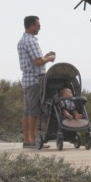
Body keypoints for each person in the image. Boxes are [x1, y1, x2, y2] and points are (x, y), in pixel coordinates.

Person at [18, 15, 55, 147]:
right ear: (32, 26)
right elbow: (37, 61)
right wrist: (49, 58)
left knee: (27, 110)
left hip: (27, 80)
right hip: (34, 80)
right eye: (38, 25)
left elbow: (34, 60)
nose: (39, 27)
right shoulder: (31, 41)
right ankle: (33, 140)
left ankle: (27, 139)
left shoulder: (22, 40)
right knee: (34, 111)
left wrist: (43, 58)